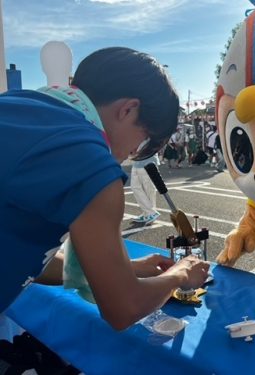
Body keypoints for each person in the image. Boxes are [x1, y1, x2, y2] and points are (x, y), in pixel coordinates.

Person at [0, 47, 210, 334]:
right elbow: (123, 308)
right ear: (127, 109)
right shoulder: (90, 163)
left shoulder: (17, 104)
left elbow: (30, 260)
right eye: (144, 137)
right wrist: (180, 274)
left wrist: (130, 269)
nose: (133, 151)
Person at [130, 151, 160, 224]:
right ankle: (148, 213)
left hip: (148, 162)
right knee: (135, 187)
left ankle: (150, 213)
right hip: (136, 162)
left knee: (149, 190)